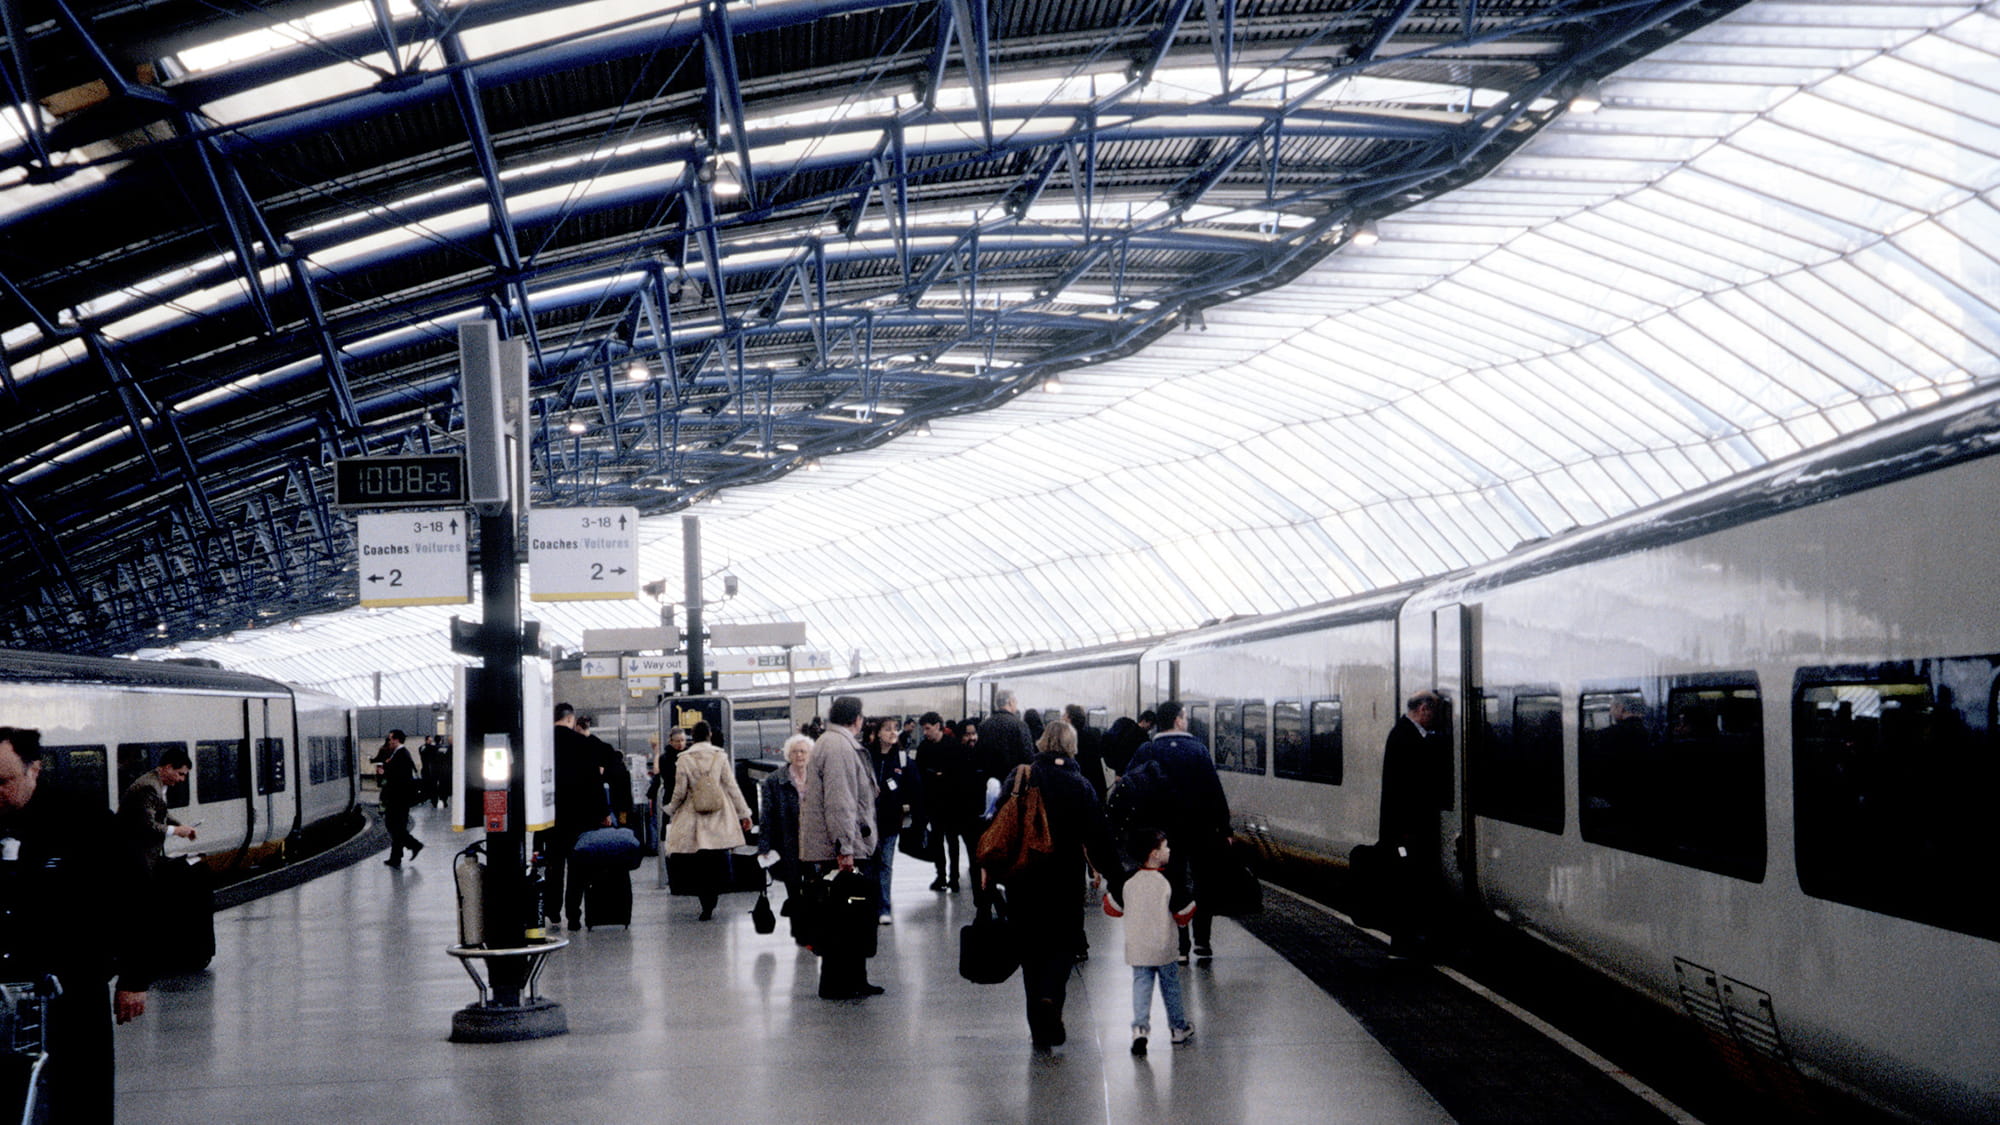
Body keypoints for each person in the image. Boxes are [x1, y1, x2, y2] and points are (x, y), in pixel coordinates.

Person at [0, 726, 153, 1125]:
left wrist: (134, 977)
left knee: (80, 1097)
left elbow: (134, 894)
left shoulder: (83, 818)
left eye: (3, 782)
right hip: (4, 987)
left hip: (73, 989)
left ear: (34, 769)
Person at [987, 717, 1119, 1051]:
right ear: (1073, 747)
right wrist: (1118, 876)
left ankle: (1038, 1030)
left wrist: (989, 869)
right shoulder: (1082, 785)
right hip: (1064, 880)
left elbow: (999, 821)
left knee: (1031, 952)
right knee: (1064, 946)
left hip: (1023, 879)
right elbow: (1099, 837)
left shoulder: (1021, 776)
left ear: (1042, 743)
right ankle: (1051, 1000)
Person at [1125, 701, 1230, 961]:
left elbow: (1129, 787)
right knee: (1202, 883)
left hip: (1158, 835)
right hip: (1199, 830)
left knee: (1171, 885)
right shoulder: (1198, 751)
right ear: (1178, 720)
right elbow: (1214, 792)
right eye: (1184, 716)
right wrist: (1225, 826)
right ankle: (1202, 944)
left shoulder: (1146, 750)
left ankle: (1179, 946)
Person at [797, 695, 881, 999]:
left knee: (848, 915)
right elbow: (840, 801)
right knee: (844, 918)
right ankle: (839, 983)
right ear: (856, 718)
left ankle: (854, 978)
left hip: (845, 844)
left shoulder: (832, 742)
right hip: (844, 848)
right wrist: (844, 847)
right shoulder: (839, 746)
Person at [1103, 827, 1195, 1056]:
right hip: (1164, 948)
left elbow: (1112, 909)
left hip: (1138, 948)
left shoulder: (1128, 880)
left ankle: (1140, 1030)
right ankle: (1177, 1028)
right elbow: (1184, 913)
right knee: (1171, 987)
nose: (1169, 850)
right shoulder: (1169, 881)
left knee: (1141, 987)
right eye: (1165, 847)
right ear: (1154, 854)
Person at [1378, 689, 1451, 953]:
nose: (1437, 720)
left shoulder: (1405, 734)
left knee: (1409, 885)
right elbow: (1407, 787)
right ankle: (1404, 943)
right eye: (1435, 713)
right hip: (1405, 831)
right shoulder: (1404, 738)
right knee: (1406, 885)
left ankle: (1408, 940)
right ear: (1423, 709)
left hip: (1405, 829)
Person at [663, 721, 753, 920]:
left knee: (699, 860)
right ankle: (714, 896)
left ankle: (705, 902)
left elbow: (679, 791)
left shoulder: (684, 759)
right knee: (716, 857)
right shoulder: (719, 756)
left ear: (691, 738)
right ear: (710, 735)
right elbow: (732, 786)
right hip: (719, 813)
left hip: (693, 814)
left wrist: (671, 809)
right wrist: (744, 813)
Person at [544, 703, 612, 931]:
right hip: (581, 815)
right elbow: (597, 780)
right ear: (571, 720)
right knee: (577, 866)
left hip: (550, 814)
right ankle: (573, 915)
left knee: (554, 864)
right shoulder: (583, 744)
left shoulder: (542, 744)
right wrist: (603, 812)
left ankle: (552, 912)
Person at [758, 734, 812, 941]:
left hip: (813, 842)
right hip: (786, 842)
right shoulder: (774, 780)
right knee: (794, 886)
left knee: (813, 886)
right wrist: (764, 846)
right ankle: (799, 929)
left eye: (803, 751)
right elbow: (767, 815)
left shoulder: (818, 777)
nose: (799, 755)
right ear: (788, 754)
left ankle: (810, 925)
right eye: (795, 751)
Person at [867, 716, 916, 924]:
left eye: (895, 729)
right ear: (878, 733)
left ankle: (884, 907)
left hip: (890, 820)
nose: (893, 732)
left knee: (885, 864)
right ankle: (870, 905)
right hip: (867, 821)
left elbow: (914, 789)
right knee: (869, 865)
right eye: (887, 729)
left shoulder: (903, 759)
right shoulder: (866, 757)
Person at [914, 712, 971, 892]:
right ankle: (941, 876)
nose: (925, 732)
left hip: (951, 803)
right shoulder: (924, 747)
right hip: (934, 803)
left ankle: (953, 877)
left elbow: (960, 773)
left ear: (938, 726)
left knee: (952, 841)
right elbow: (919, 774)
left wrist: (938, 775)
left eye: (927, 728)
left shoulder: (953, 746)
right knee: (938, 841)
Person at [118, 746, 197, 874]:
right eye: (180, 774)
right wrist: (176, 830)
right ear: (168, 768)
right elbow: (147, 825)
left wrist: (182, 826)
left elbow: (162, 812)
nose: (182, 779)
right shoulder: (148, 787)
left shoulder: (158, 783)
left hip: (143, 853)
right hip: (136, 853)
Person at [974, 689, 1036, 802]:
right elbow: (1028, 757)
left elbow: (978, 754)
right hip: (1013, 784)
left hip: (989, 782)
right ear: (1011, 702)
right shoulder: (1020, 725)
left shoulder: (984, 725)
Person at [375, 729, 424, 867]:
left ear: (397, 740)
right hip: (399, 797)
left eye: (390, 739)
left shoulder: (402, 754)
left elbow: (401, 777)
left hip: (398, 798)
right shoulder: (399, 754)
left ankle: (414, 845)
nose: (389, 741)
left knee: (393, 825)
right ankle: (396, 857)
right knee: (397, 826)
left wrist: (385, 771)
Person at [1065, 704, 1109, 801]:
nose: (1062, 718)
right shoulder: (1091, 736)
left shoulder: (1069, 740)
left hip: (1078, 788)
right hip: (1094, 785)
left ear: (1070, 718)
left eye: (1065, 715)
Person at [1101, 710, 1155, 779]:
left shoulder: (1123, 722)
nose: (1150, 728)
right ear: (1144, 721)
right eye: (1150, 725)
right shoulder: (1143, 739)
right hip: (1128, 774)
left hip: (1110, 769)